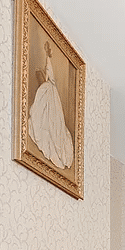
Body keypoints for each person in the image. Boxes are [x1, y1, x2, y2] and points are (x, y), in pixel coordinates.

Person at [28, 39, 74, 169]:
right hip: (49, 95)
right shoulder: (46, 86)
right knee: (49, 119)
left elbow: (49, 77)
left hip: (51, 96)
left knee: (54, 121)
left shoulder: (49, 84)